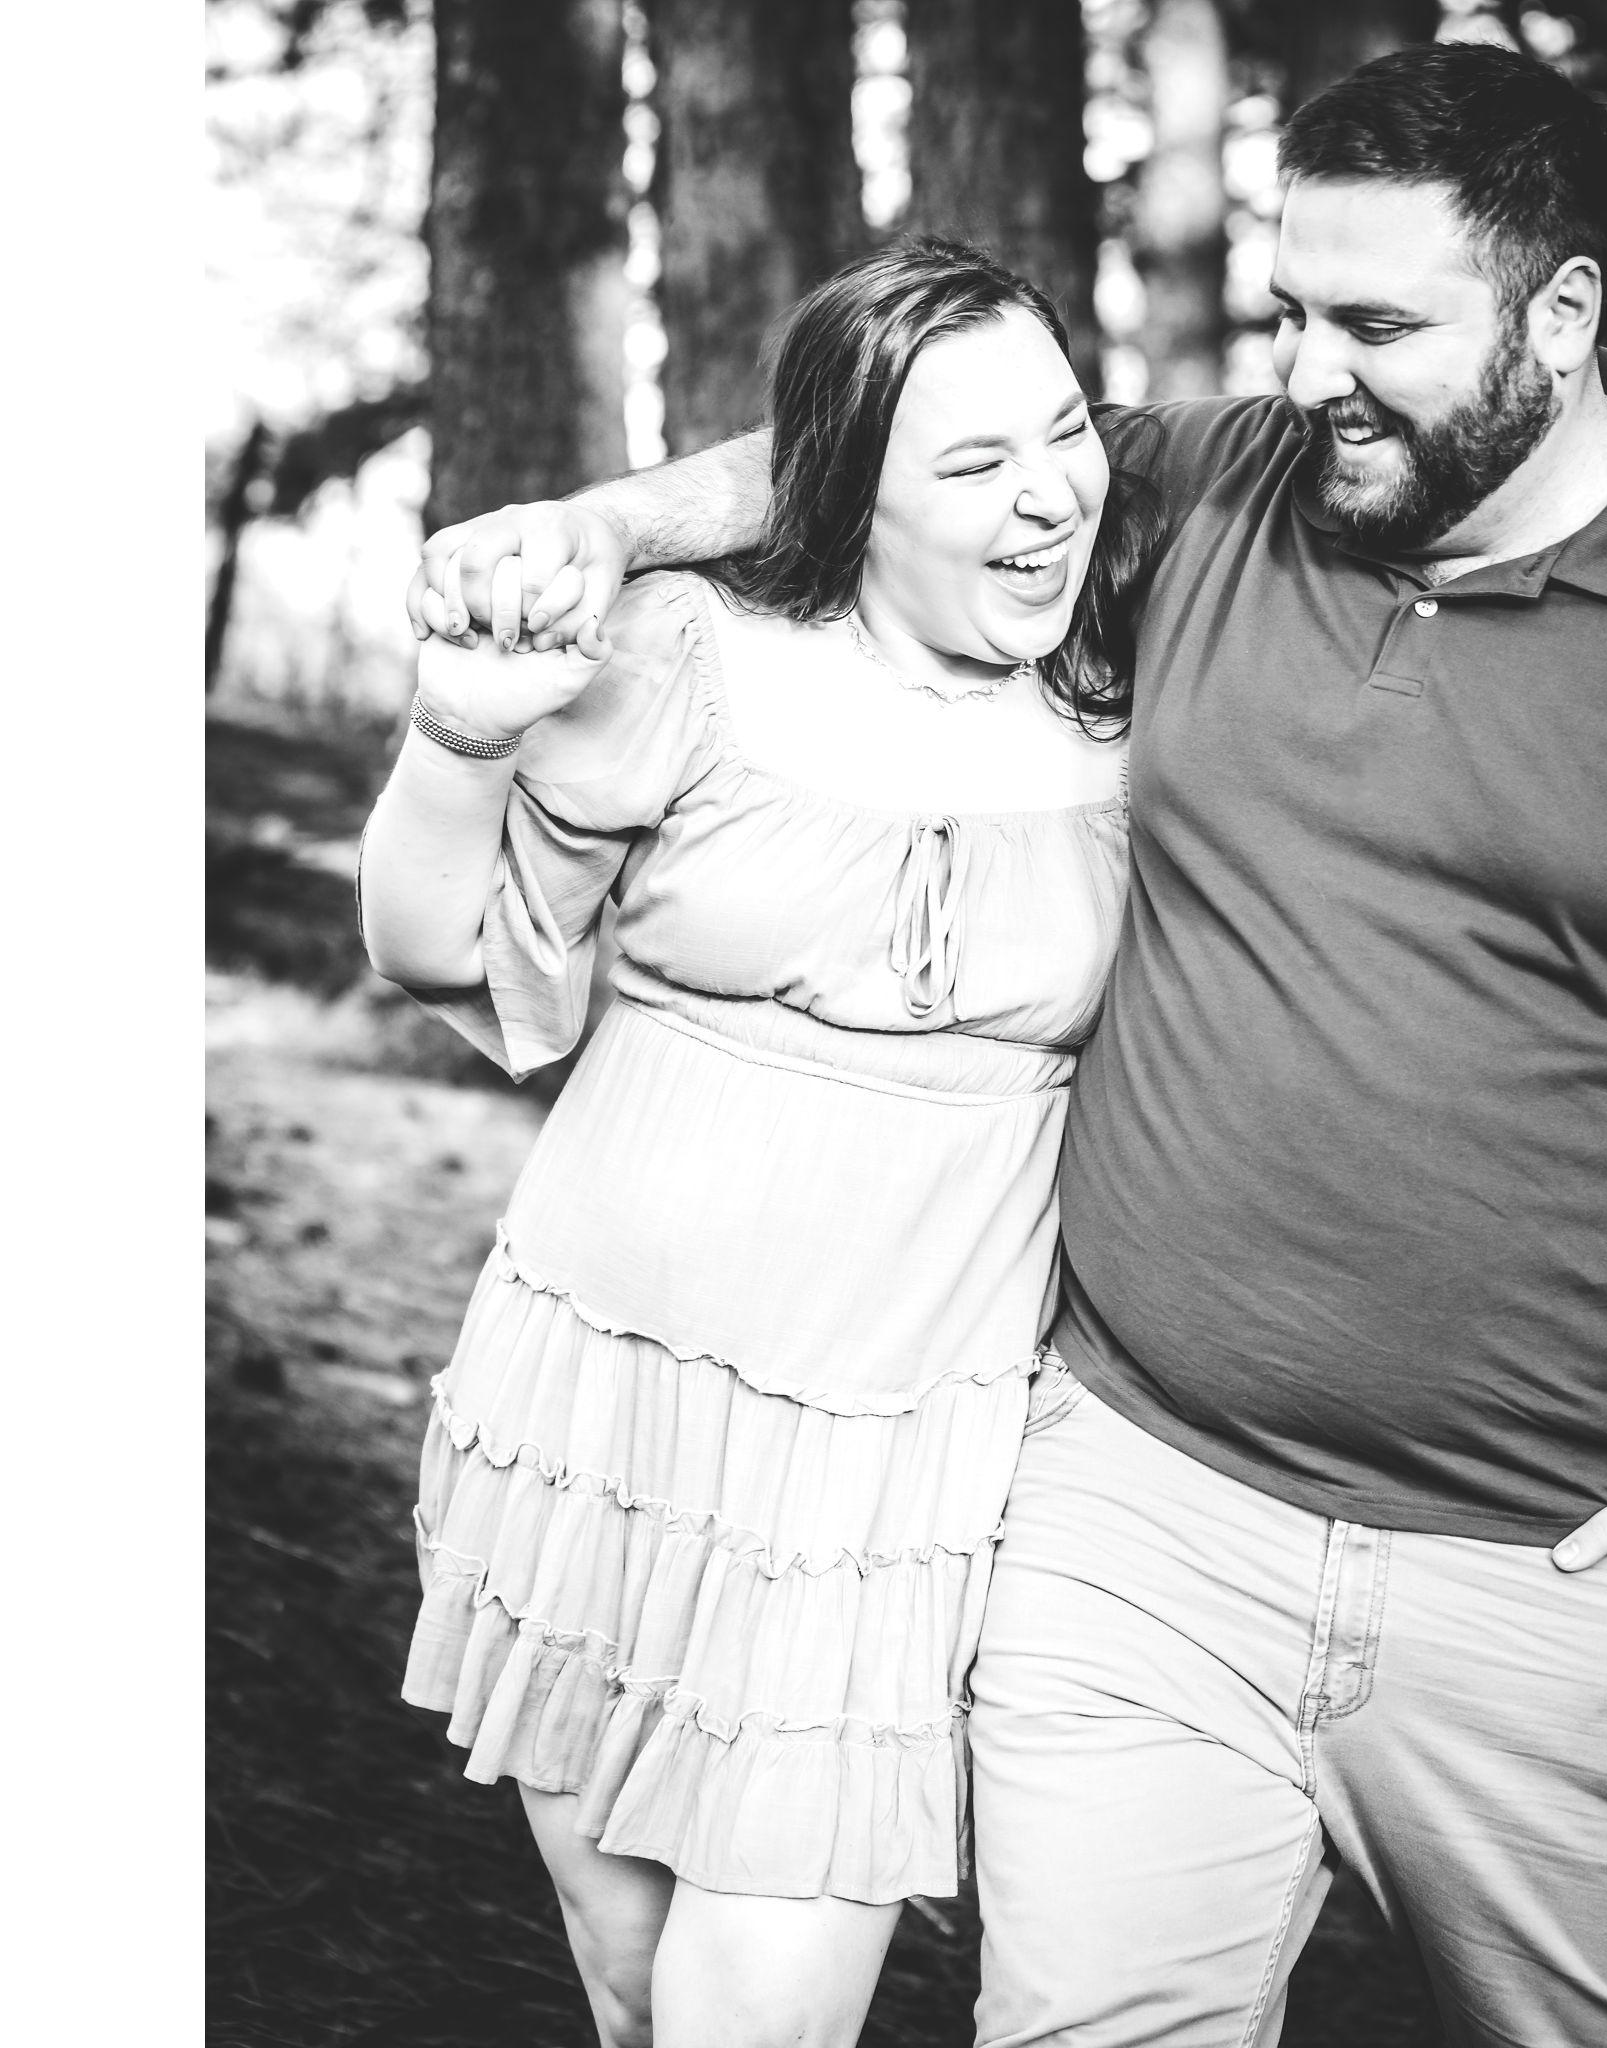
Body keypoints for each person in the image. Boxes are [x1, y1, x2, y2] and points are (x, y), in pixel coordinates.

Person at [412, 43, 1607, 2048]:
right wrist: (600, 521)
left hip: (1553, 1585)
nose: (1310, 374)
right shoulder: (1237, 485)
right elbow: (864, 446)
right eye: (1290, 312)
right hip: (1135, 1520)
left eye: (1375, 326)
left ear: (1561, 311)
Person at [361, 237, 1159, 2048]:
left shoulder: (1140, 693)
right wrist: (461, 735)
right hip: (601, 1406)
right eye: (976, 463)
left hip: (889, 1467)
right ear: (848, 489)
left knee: (760, 2013)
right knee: (632, 1984)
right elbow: (432, 950)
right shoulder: (690, 654)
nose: (1050, 497)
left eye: (1065, 434)